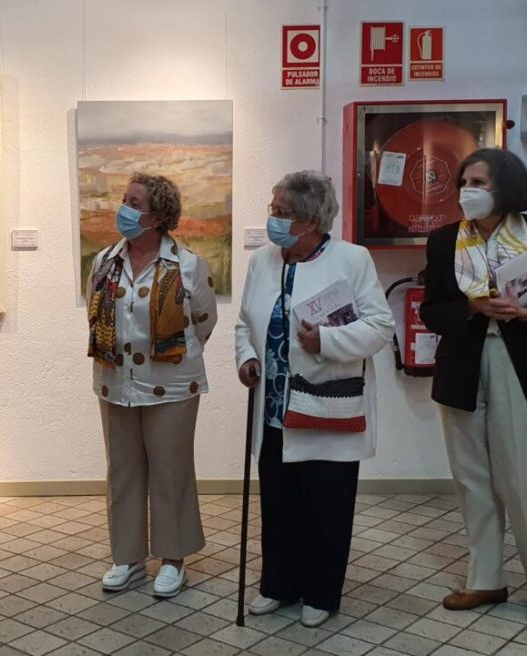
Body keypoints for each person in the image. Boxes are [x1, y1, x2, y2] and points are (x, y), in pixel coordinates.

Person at [235, 170, 393, 627]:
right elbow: (245, 322)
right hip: (274, 407)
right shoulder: (263, 261)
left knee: (326, 505)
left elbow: (380, 326)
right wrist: (246, 357)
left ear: (310, 221)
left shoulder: (351, 259)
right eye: (273, 210)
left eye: (282, 213)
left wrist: (326, 341)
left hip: (327, 405)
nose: (274, 220)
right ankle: (278, 586)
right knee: (279, 503)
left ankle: (321, 593)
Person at [87, 172, 217, 599]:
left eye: (134, 202)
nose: (123, 208)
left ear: (159, 215)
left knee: (170, 471)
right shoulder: (105, 260)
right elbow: (96, 311)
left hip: (173, 387)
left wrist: (169, 355)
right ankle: (127, 556)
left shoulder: (188, 264)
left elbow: (204, 321)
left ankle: (173, 559)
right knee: (122, 471)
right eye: (124, 199)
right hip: (115, 382)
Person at [420, 148, 527, 611]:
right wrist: (472, 306)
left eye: (479, 183)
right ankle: (485, 579)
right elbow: (432, 310)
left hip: (515, 363)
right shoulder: (445, 241)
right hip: (461, 366)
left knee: (520, 476)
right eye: (465, 182)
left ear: (504, 187)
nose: (468, 191)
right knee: (471, 478)